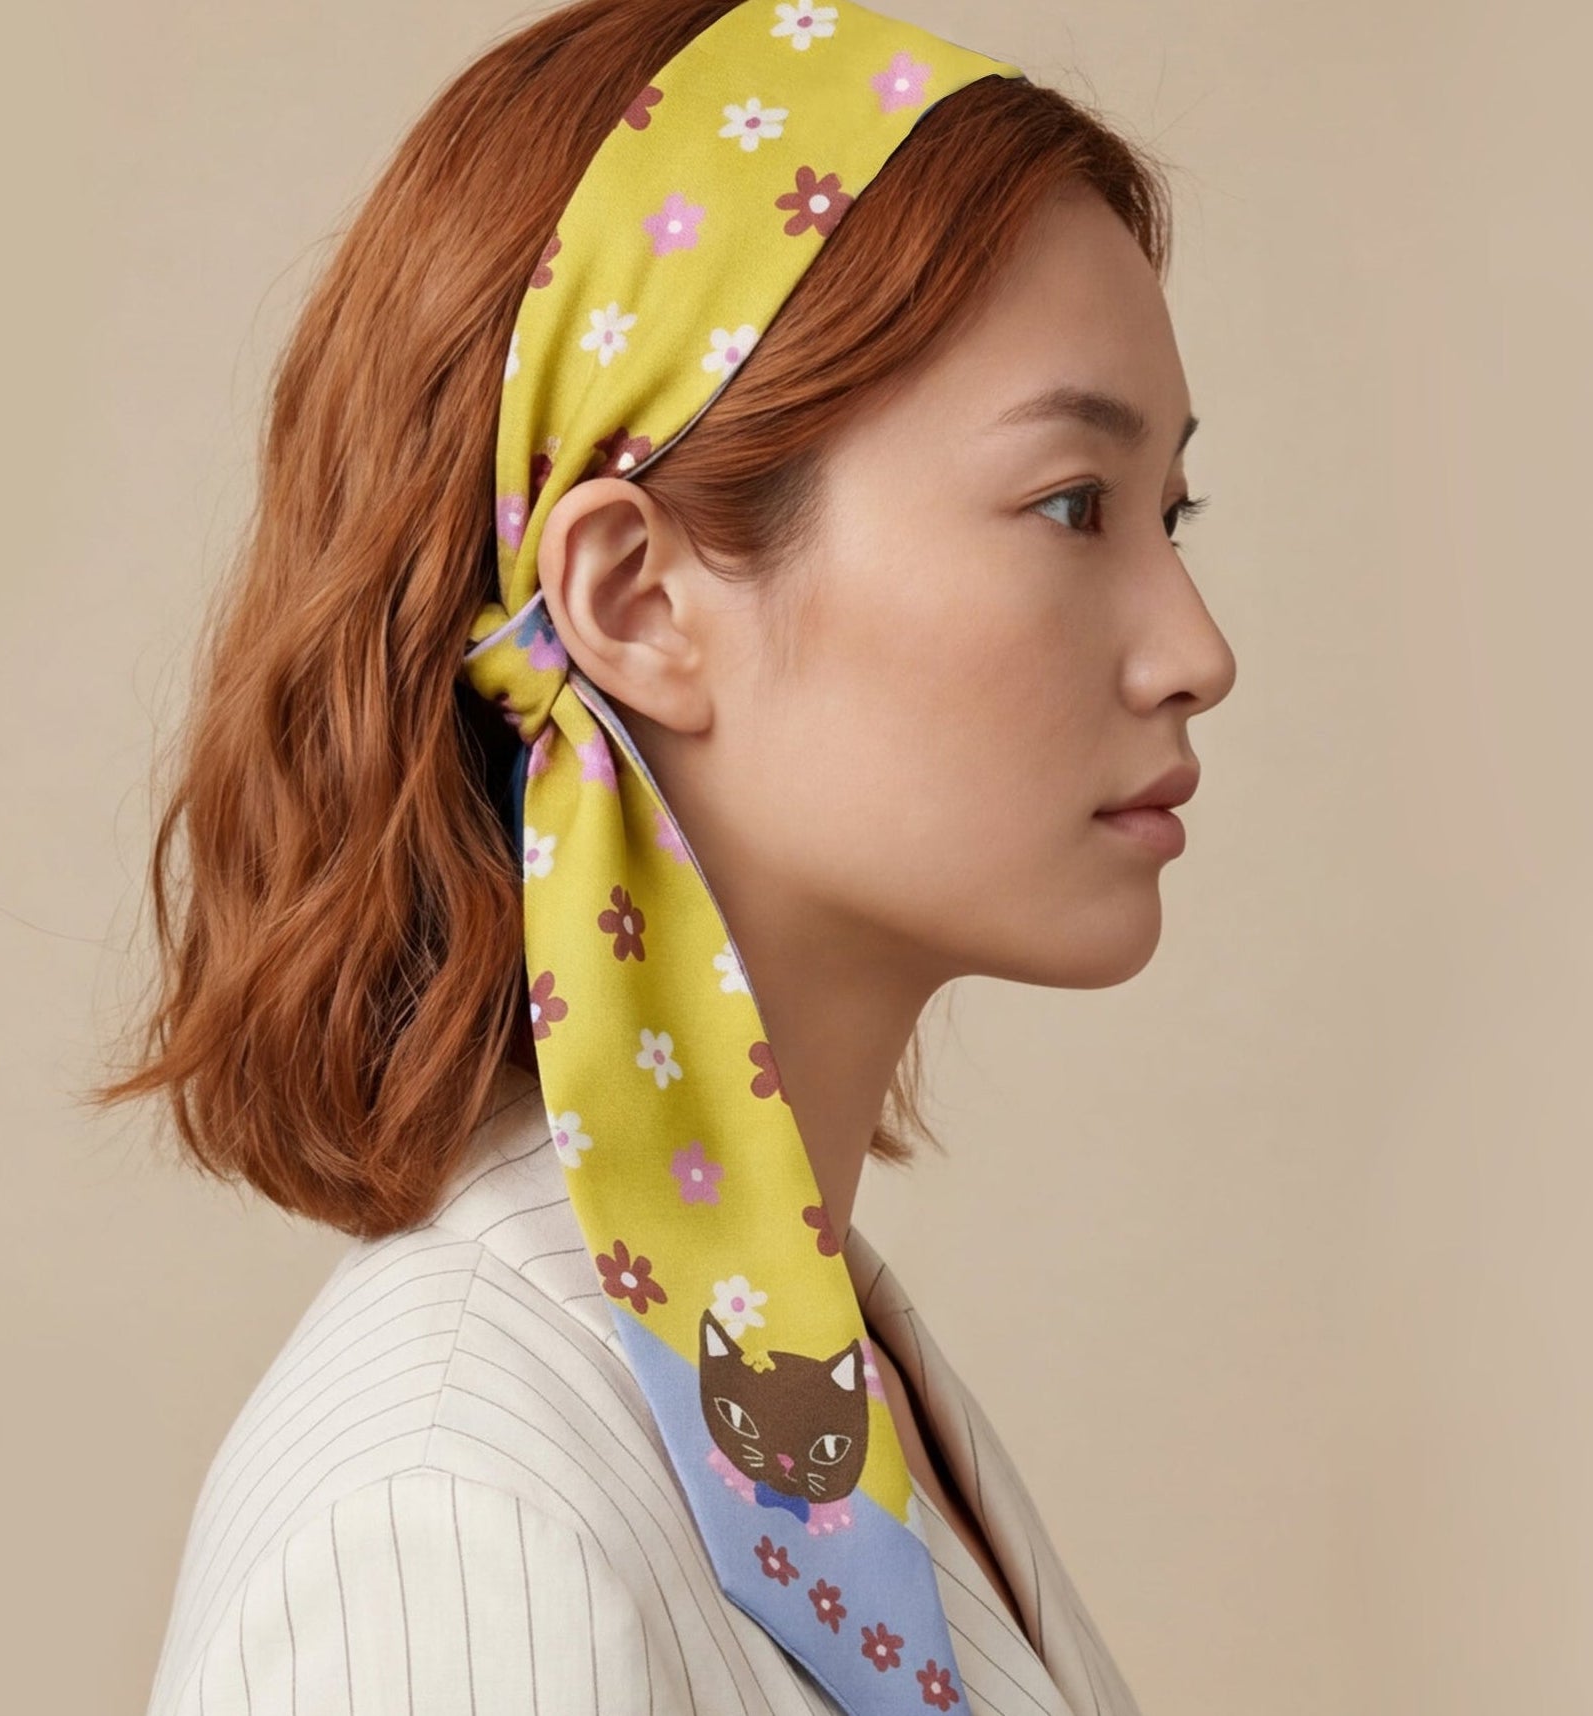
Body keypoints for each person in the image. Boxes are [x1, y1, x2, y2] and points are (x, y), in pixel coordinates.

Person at [102, 2, 1236, 1711]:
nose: (1194, 647)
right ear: (635, 598)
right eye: (1074, 503)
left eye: (1174, 517)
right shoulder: (449, 1509)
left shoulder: (810, 1377)